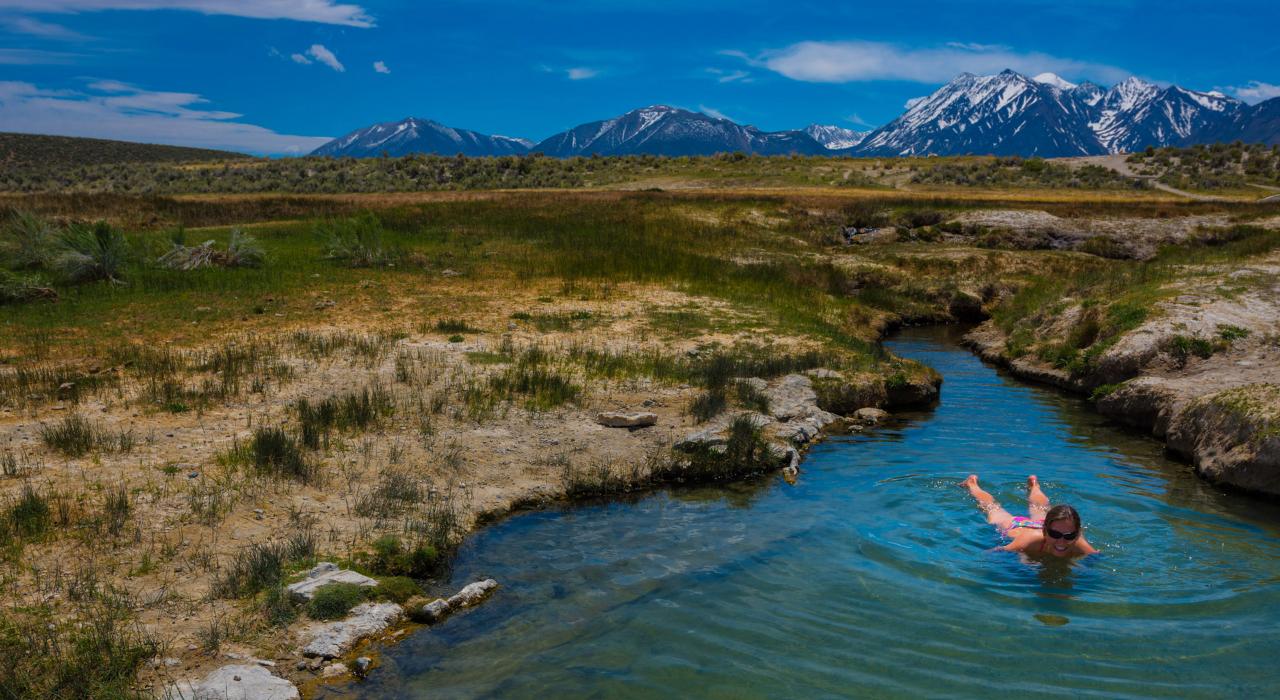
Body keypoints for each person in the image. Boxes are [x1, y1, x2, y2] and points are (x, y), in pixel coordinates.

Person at [962, 474, 1097, 558]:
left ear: (1077, 533)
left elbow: (1096, 557)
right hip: (1016, 526)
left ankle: (1034, 486)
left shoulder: (1077, 541)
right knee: (992, 509)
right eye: (1055, 535)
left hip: (1044, 522)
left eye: (1069, 536)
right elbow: (996, 551)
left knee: (1040, 508)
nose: (1061, 541)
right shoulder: (1029, 540)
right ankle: (972, 484)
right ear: (1045, 531)